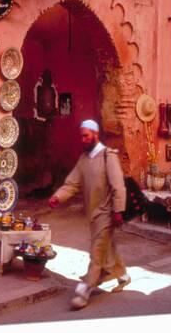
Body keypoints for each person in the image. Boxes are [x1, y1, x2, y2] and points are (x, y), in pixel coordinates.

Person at [48, 119, 131, 310]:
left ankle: (84, 290)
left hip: (107, 213)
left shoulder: (108, 156)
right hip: (93, 214)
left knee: (97, 251)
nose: (83, 139)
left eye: (86, 135)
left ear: (95, 134)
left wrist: (118, 211)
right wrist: (57, 197)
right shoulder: (84, 159)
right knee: (107, 247)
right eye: (81, 136)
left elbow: (118, 186)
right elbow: (72, 184)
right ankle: (123, 276)